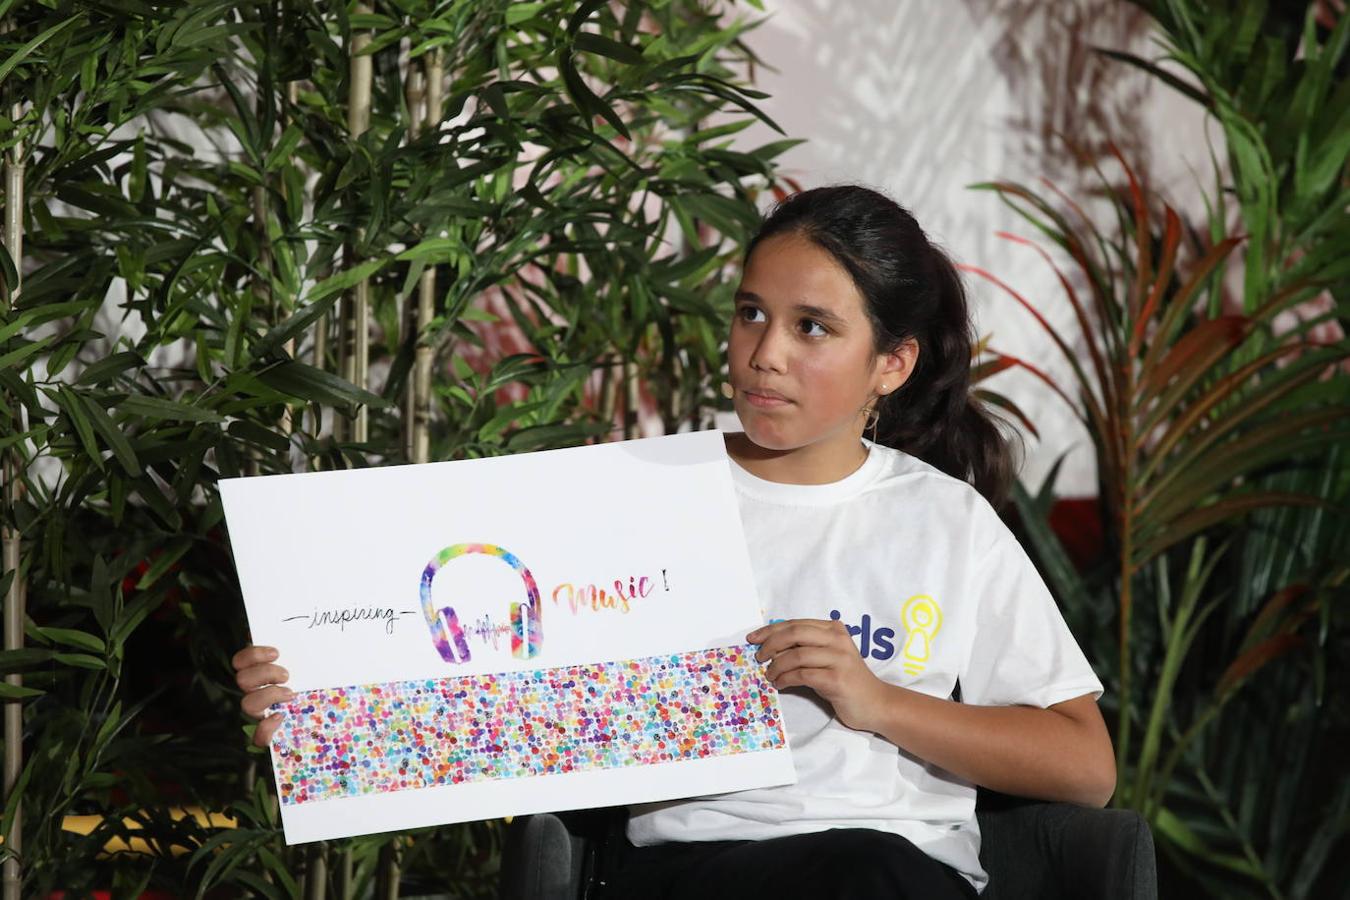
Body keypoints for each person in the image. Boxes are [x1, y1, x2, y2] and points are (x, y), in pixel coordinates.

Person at [233, 185, 1115, 898]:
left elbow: (1086, 768)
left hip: (896, 873)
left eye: (812, 327)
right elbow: (499, 694)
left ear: (893, 363)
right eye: (750, 314)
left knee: (865, 871)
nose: (763, 354)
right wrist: (320, 709)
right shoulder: (636, 496)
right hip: (684, 869)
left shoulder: (946, 521)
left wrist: (878, 702)